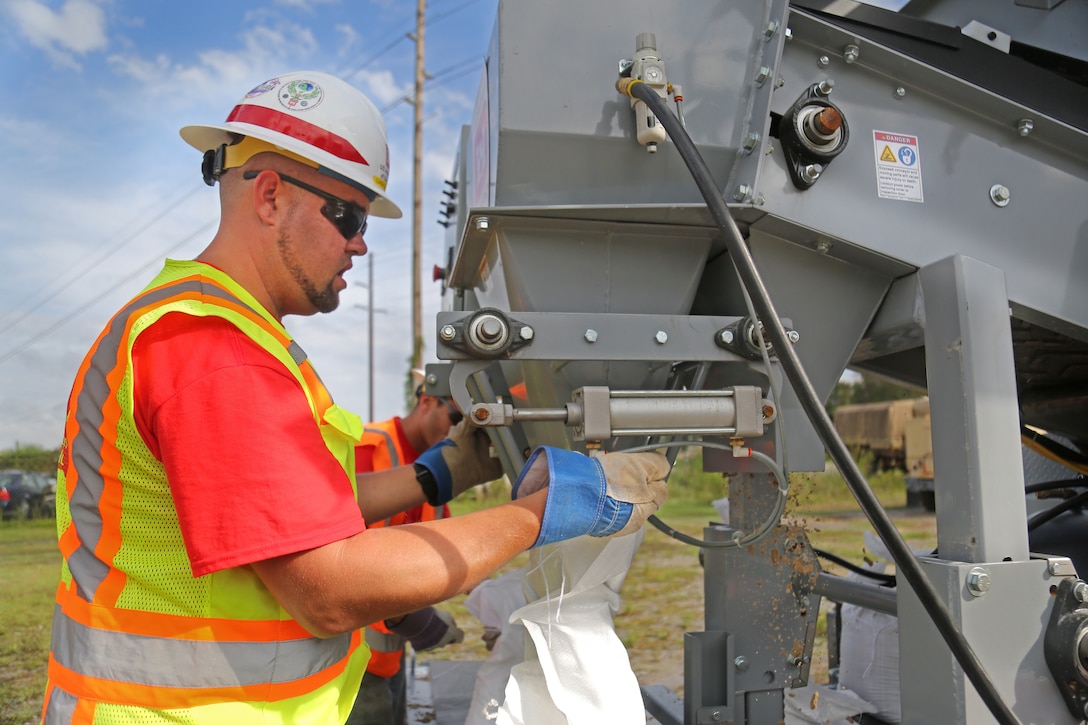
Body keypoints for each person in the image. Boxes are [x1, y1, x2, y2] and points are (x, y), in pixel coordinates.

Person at [42, 70, 670, 725]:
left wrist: (440, 471)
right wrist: (546, 512)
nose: (361, 242)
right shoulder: (210, 350)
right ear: (269, 195)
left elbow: (304, 510)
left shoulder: (233, 339)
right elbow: (330, 587)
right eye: (348, 214)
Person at [348, 377, 465, 725]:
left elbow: (443, 540)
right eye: (457, 419)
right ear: (428, 400)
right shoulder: (368, 446)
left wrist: (492, 597)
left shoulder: (436, 466)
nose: (460, 432)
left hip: (390, 648)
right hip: (351, 657)